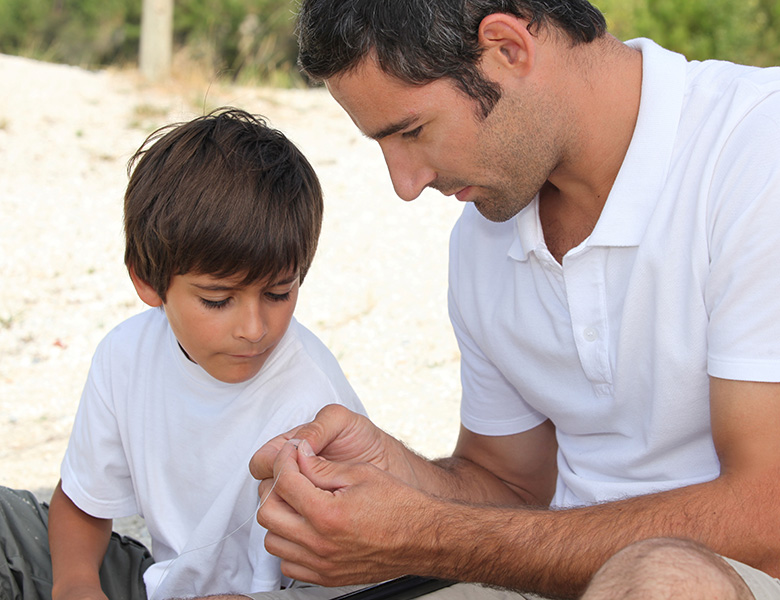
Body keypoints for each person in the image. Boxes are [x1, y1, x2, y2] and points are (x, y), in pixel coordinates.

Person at [247, 0, 780, 599]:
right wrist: (396, 477)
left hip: (728, 575)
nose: (404, 183)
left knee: (664, 584)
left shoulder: (757, 152)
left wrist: (426, 534)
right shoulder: (483, 235)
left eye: (412, 131)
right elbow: (511, 487)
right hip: (549, 578)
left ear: (508, 48)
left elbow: (767, 519)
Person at [0, 107, 365, 600]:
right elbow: (84, 502)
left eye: (279, 293)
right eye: (218, 300)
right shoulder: (124, 357)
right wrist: (76, 583)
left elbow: (361, 571)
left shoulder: (316, 400)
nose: (255, 329)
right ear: (148, 282)